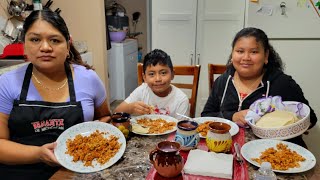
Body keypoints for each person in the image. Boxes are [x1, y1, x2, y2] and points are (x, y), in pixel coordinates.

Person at [0, 9, 111, 179]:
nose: (45, 47)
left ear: (68, 46)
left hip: (77, 171)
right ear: (24, 45)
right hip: (19, 172)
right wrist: (38, 153)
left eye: (54, 40)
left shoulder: (89, 79)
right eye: (35, 39)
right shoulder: (7, 83)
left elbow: (105, 119)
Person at [201, 27, 317, 148]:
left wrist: (286, 126)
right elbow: (206, 116)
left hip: (271, 154)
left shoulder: (282, 83)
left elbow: (311, 119)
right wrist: (232, 116)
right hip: (226, 150)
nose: (246, 57)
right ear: (232, 54)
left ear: (266, 55)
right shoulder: (223, 81)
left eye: (254, 52)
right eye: (240, 51)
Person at [114, 49, 189, 120]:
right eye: (151, 74)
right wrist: (131, 108)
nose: (158, 79)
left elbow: (182, 131)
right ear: (144, 77)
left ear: (172, 74)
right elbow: (116, 113)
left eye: (163, 73)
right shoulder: (142, 90)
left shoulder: (181, 99)